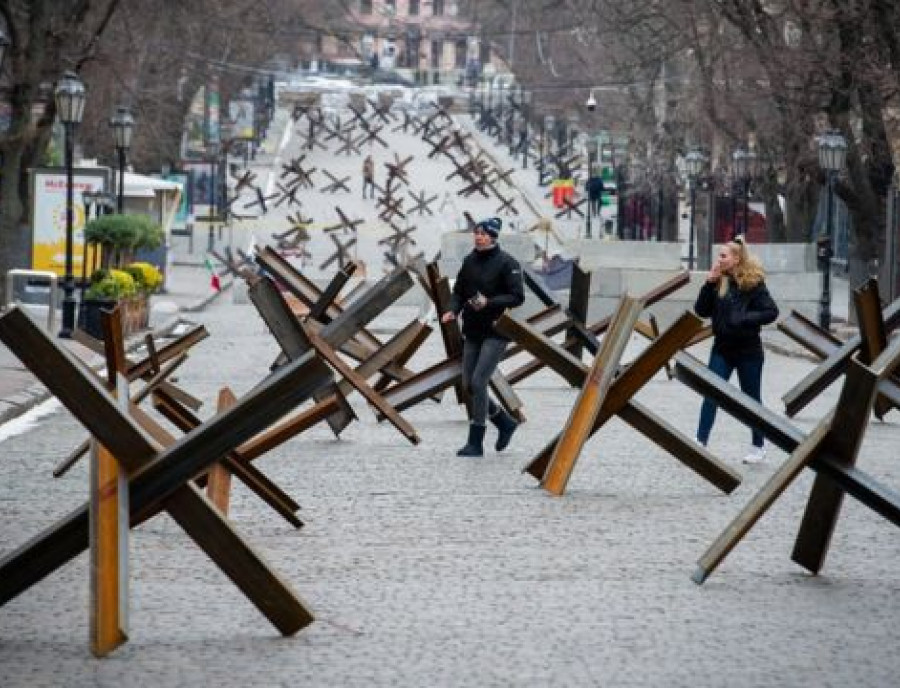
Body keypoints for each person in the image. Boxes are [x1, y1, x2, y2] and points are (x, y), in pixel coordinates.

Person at [441, 217, 525, 457]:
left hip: (496, 331)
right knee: (469, 385)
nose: (478, 236)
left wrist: (489, 302)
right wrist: (452, 310)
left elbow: (517, 296)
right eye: (476, 232)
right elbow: (458, 292)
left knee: (479, 382)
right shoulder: (469, 261)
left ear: (493, 236)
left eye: (483, 233)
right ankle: (505, 423)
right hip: (473, 330)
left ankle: (476, 442)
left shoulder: (508, 263)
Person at [694, 235, 779, 463]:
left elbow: (771, 312)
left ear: (736, 258)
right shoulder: (718, 282)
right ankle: (700, 440)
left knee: (751, 400)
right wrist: (708, 283)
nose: (719, 260)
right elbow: (701, 310)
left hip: (748, 351)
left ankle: (758, 445)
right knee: (711, 392)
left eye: (723, 256)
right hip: (722, 349)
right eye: (719, 256)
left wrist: (744, 318)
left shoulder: (753, 283)